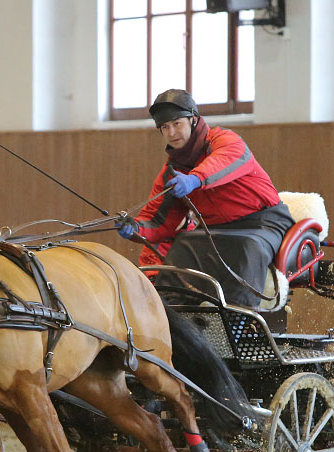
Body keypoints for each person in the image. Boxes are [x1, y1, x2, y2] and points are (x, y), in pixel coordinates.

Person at [118, 89, 295, 308]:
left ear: (193, 120)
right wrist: (135, 228)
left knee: (247, 247)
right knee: (182, 246)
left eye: (177, 123)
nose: (171, 132)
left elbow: (222, 164)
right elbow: (158, 222)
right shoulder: (170, 174)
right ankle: (173, 316)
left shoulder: (225, 140)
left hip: (264, 223)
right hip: (216, 231)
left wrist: (195, 179)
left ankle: (239, 320)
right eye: (164, 127)